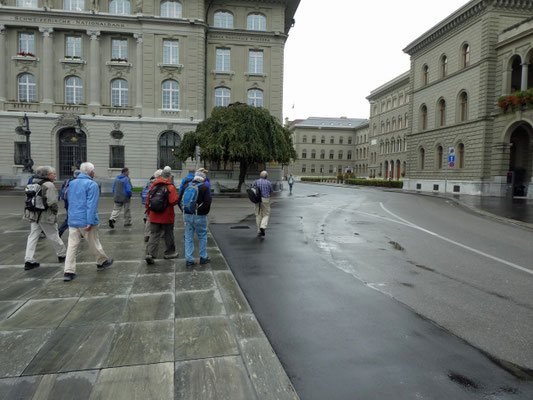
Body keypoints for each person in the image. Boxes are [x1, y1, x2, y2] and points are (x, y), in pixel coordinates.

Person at [63, 162, 113, 281]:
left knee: (72, 246)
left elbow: (70, 201)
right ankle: (101, 261)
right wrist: (90, 221)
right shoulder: (92, 184)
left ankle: (68, 271)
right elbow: (91, 205)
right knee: (93, 242)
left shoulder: (72, 183)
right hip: (85, 219)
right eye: (93, 170)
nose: (94, 172)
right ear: (90, 172)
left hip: (73, 218)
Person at [23, 166, 67, 270]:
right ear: (47, 175)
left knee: (33, 236)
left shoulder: (33, 183)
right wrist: (55, 212)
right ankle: (62, 255)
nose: (55, 175)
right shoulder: (49, 185)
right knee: (53, 234)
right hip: (46, 215)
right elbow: (52, 202)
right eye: (53, 174)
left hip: (34, 214)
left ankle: (29, 260)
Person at [144, 167, 179, 264]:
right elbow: (174, 201)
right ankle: (170, 252)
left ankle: (150, 254)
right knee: (168, 234)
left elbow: (148, 202)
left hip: (154, 216)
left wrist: (149, 213)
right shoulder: (170, 187)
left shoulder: (153, 186)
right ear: (168, 177)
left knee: (154, 235)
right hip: (167, 216)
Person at [177, 170, 212, 267]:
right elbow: (208, 202)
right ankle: (203, 257)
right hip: (200, 216)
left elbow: (179, 201)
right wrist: (204, 212)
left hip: (187, 215)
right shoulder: (204, 187)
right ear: (202, 179)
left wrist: (185, 211)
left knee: (188, 237)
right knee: (202, 236)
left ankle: (189, 259)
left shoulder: (186, 186)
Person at [141, 169, 162, 242]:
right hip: (157, 202)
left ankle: (147, 234)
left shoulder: (149, 182)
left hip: (149, 202)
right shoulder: (159, 183)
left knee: (148, 217)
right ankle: (160, 233)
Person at [58, 169, 80, 237]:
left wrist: (59, 196)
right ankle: (59, 232)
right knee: (70, 218)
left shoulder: (67, 181)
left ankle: (81, 234)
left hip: (67, 202)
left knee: (73, 217)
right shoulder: (77, 182)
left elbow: (62, 189)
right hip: (74, 202)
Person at [254, 170, 274, 237]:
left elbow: (252, 189)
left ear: (260, 176)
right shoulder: (268, 183)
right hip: (265, 199)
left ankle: (259, 231)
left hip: (257, 200)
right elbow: (271, 192)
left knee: (258, 214)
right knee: (266, 214)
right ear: (266, 176)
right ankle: (262, 226)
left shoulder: (256, 182)